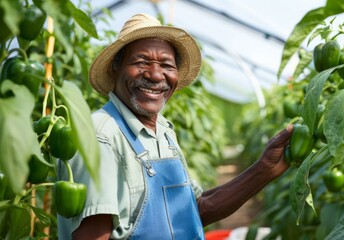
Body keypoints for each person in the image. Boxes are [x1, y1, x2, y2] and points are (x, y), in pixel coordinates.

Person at [57, 13, 293, 240]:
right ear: (115, 69)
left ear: (176, 76)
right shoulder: (100, 136)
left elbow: (194, 210)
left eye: (167, 66)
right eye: (141, 62)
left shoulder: (163, 130)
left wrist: (265, 168)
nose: (155, 74)